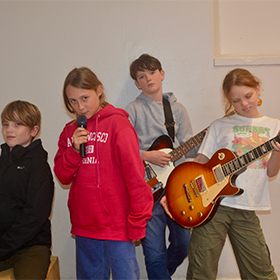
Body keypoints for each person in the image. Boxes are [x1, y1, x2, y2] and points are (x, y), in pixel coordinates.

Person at [54, 67, 153, 280]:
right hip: (85, 226)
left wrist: (138, 220)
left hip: (117, 226)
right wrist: (73, 151)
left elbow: (135, 177)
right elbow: (62, 176)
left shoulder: (118, 124)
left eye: (85, 98)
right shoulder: (70, 131)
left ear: (99, 90)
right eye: (72, 101)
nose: (80, 106)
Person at [186, 68, 280, 280]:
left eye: (248, 96)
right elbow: (200, 162)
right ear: (228, 101)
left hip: (248, 209)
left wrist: (277, 152)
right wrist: (182, 192)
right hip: (213, 208)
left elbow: (272, 172)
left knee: (261, 274)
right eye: (236, 100)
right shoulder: (220, 125)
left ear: (258, 90)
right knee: (201, 272)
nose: (244, 104)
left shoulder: (275, 126)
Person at [125, 54, 197, 279]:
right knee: (154, 254)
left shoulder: (178, 110)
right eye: (142, 76)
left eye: (152, 72)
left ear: (162, 74)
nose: (148, 79)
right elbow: (121, 150)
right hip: (146, 188)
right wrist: (146, 155)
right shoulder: (132, 109)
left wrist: (209, 139)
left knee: (183, 245)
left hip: (176, 187)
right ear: (137, 84)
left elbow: (190, 149)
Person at [0, 100, 54, 280]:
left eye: (17, 124)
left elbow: (34, 216)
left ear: (33, 131)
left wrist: (3, 246)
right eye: (6, 124)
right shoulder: (1, 162)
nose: (9, 129)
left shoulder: (39, 167)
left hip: (30, 247)